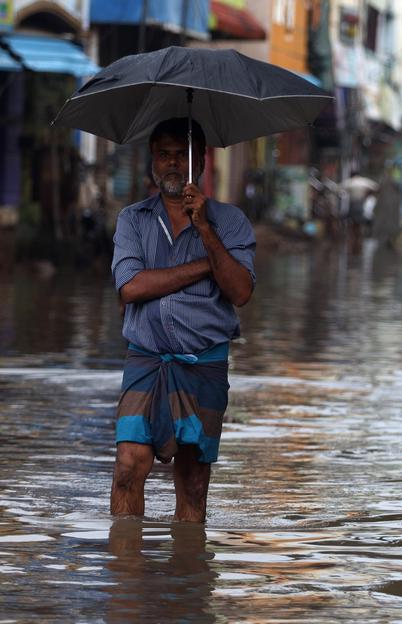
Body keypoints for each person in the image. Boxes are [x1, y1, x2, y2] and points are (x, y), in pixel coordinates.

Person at [109, 117, 256, 522]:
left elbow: (240, 292)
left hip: (204, 363)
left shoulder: (230, 222)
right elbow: (131, 288)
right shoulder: (133, 220)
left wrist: (205, 231)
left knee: (193, 481)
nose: (173, 164)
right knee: (127, 466)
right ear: (153, 162)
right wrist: (204, 267)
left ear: (200, 161)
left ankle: (187, 579)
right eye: (164, 155)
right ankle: (126, 575)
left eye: (182, 155)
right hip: (147, 359)